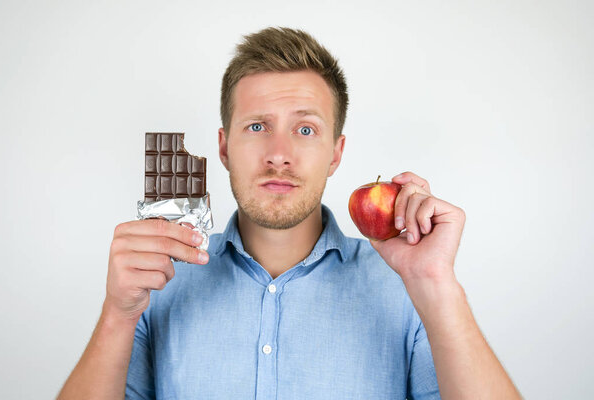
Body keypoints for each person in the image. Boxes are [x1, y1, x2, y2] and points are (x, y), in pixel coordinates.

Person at [58, 27, 521, 399]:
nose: (279, 154)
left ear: (336, 154)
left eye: (305, 128)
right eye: (257, 126)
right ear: (223, 147)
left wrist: (436, 284)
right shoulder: (157, 283)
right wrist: (118, 314)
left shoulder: (407, 289)